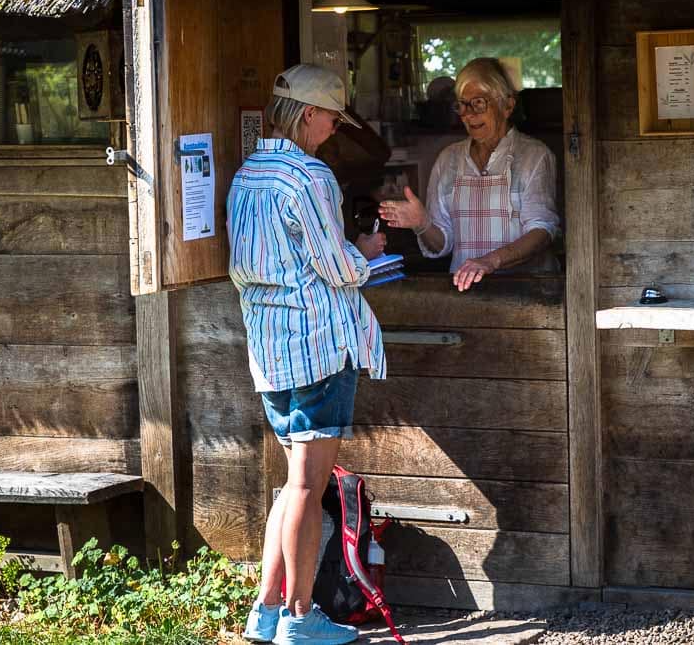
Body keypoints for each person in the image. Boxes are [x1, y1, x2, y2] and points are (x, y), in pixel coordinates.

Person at [228, 64, 386, 645]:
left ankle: (266, 609)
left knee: (294, 484)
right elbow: (336, 266)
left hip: (269, 349)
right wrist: (365, 250)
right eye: (331, 119)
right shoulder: (310, 177)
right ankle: (299, 616)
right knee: (306, 487)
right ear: (311, 115)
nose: (333, 131)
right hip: (318, 345)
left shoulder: (247, 174)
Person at [378, 57, 560, 291]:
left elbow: (542, 231)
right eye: (462, 104)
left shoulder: (534, 156)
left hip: (528, 293)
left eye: (479, 103)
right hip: (468, 296)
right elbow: (441, 244)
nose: (467, 114)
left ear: (507, 106)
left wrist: (489, 261)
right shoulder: (449, 159)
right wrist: (422, 224)